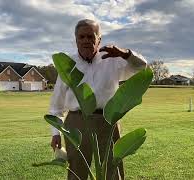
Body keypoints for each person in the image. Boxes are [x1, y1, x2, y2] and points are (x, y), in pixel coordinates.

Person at [49, 19, 147, 180]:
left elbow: (141, 67)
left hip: (108, 121)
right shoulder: (67, 65)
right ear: (76, 40)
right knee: (77, 172)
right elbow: (56, 106)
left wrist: (124, 54)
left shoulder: (113, 60)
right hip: (77, 122)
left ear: (99, 39)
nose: (86, 41)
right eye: (81, 37)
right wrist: (55, 133)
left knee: (113, 170)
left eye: (91, 36)